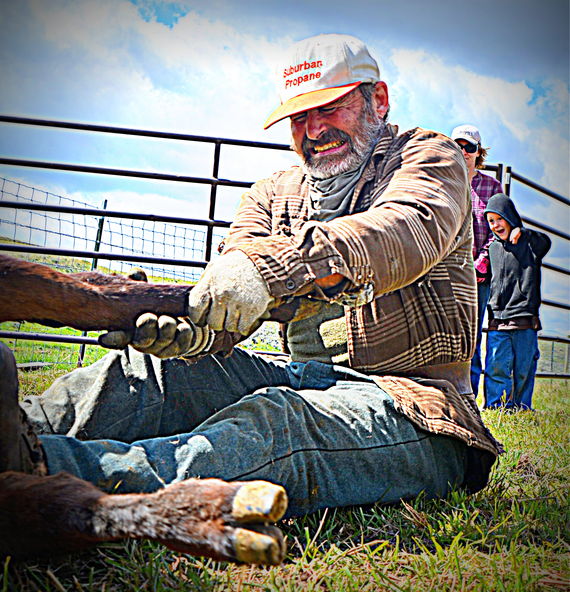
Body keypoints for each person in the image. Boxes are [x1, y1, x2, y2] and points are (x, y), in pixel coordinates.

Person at [8, 34, 502, 519]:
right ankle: (20, 428)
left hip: (421, 408)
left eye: (329, 109)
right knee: (160, 373)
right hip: (306, 380)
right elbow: (238, 266)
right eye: (299, 117)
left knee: (276, 421)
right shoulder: (273, 193)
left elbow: (405, 229)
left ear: (379, 99)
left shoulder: (431, 158)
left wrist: (267, 270)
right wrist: (200, 327)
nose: (313, 131)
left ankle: (44, 470)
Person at [483, 193, 551, 410]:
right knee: (496, 366)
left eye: (499, 219)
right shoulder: (492, 249)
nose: (495, 225)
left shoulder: (530, 242)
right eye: (491, 221)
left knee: (524, 367)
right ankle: (496, 407)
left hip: (524, 319)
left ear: (510, 217)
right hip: (498, 321)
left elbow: (545, 243)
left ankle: (521, 407)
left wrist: (523, 233)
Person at [450, 125, 503, 398]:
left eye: (469, 147)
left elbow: (499, 231)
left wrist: (480, 263)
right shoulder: (442, 183)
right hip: (446, 273)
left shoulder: (492, 187)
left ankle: (468, 393)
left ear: (478, 152)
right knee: (445, 332)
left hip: (477, 276)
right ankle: (447, 392)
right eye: (457, 145)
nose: (463, 151)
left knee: (472, 335)